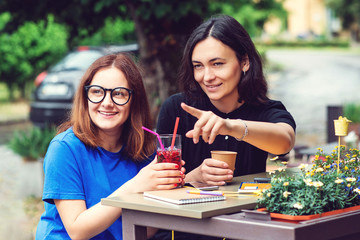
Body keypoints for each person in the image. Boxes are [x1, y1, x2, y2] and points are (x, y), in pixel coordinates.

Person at [155, 14, 296, 240]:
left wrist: (231, 127)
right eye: (198, 66)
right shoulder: (177, 109)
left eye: (217, 64)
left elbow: (285, 140)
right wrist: (195, 176)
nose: (207, 76)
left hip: (241, 231)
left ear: (245, 62)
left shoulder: (264, 111)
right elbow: (157, 186)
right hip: (183, 231)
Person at [35, 53, 185, 240]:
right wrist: (135, 186)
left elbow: (146, 231)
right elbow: (77, 230)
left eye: (119, 93)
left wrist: (166, 190)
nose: (106, 103)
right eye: (97, 91)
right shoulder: (64, 149)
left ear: (134, 100)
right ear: (85, 96)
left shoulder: (146, 149)